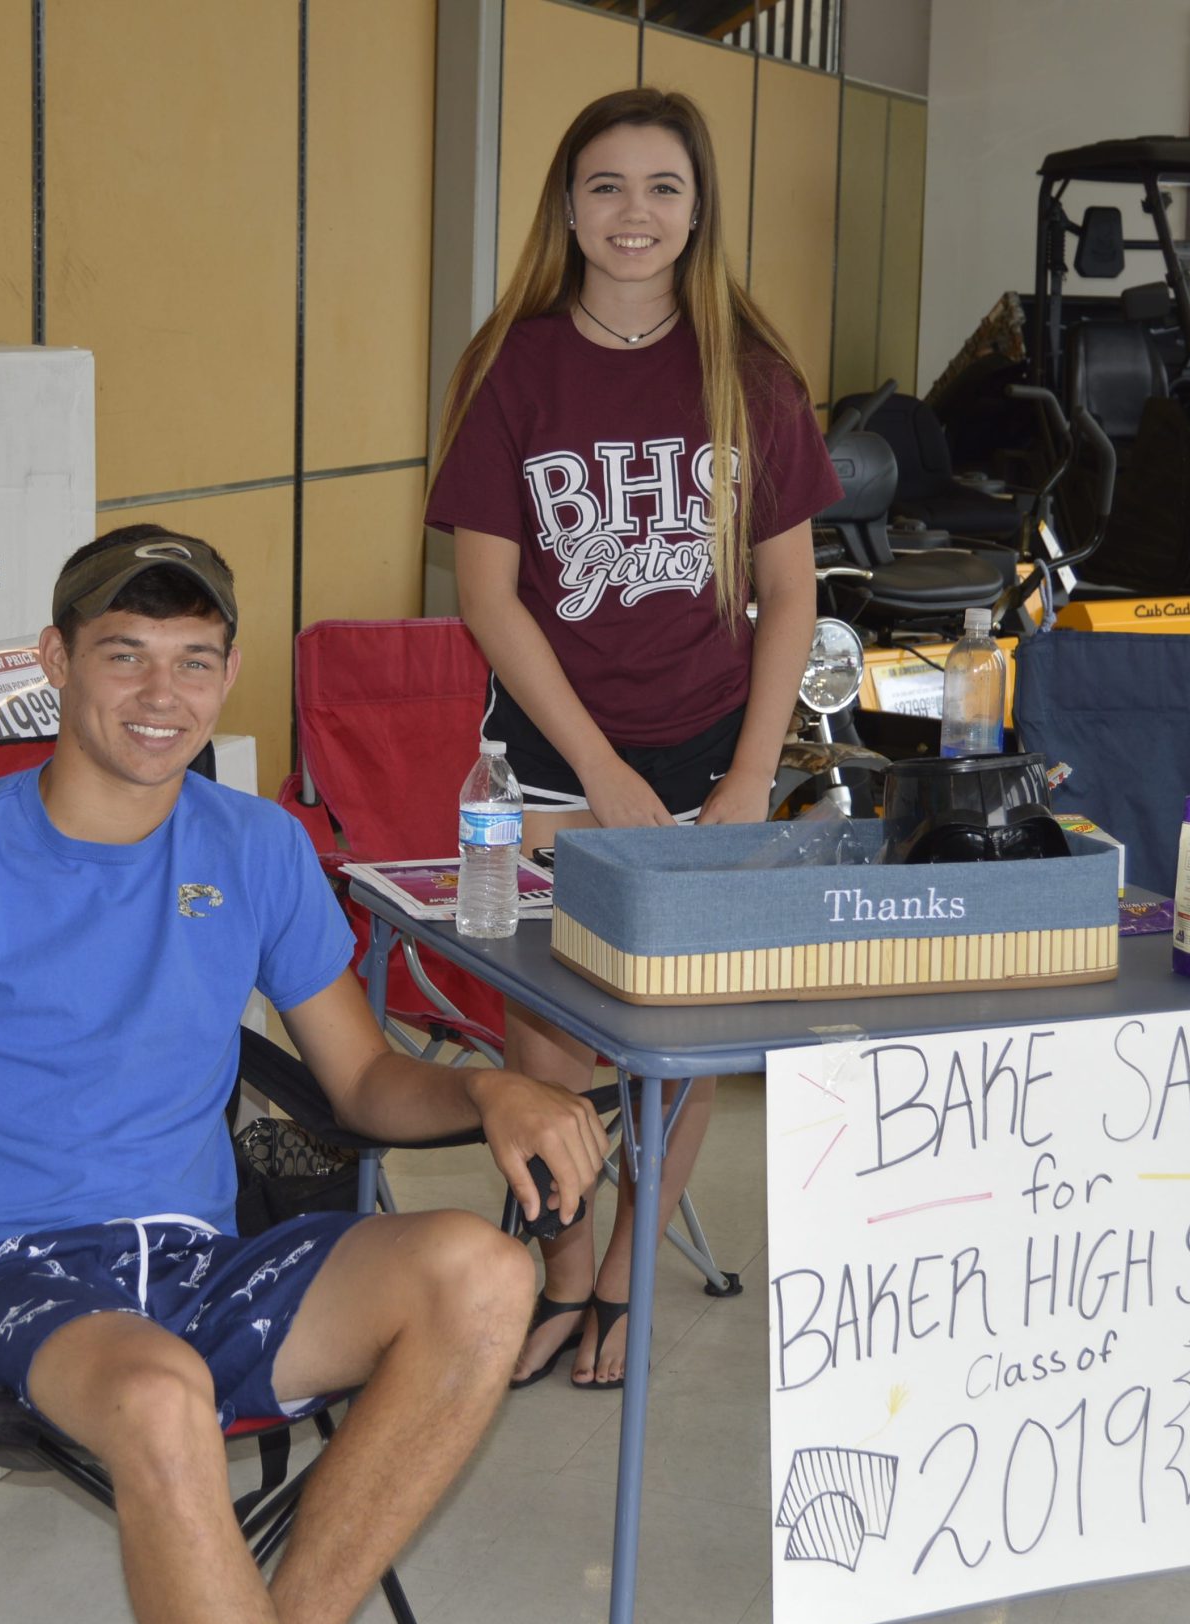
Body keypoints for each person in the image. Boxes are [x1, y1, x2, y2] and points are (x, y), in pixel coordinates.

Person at [0, 524, 611, 1624]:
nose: (160, 693)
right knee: (155, 1395)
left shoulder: (255, 847)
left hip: (195, 1261)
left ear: (228, 676)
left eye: (193, 659)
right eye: (124, 653)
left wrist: (489, 1084)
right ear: (56, 659)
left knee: (487, 1275)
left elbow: (361, 1083)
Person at [425, 88, 841, 1391]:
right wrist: (596, 772)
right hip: (551, 756)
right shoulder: (513, 367)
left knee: (684, 1035)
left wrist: (750, 778)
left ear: (698, 207)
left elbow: (795, 596)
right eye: (606, 185)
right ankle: (557, 1266)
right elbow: (486, 595)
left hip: (712, 753)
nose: (634, 213)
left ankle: (625, 1271)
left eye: (663, 185)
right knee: (548, 1035)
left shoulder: (750, 374)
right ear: (567, 206)